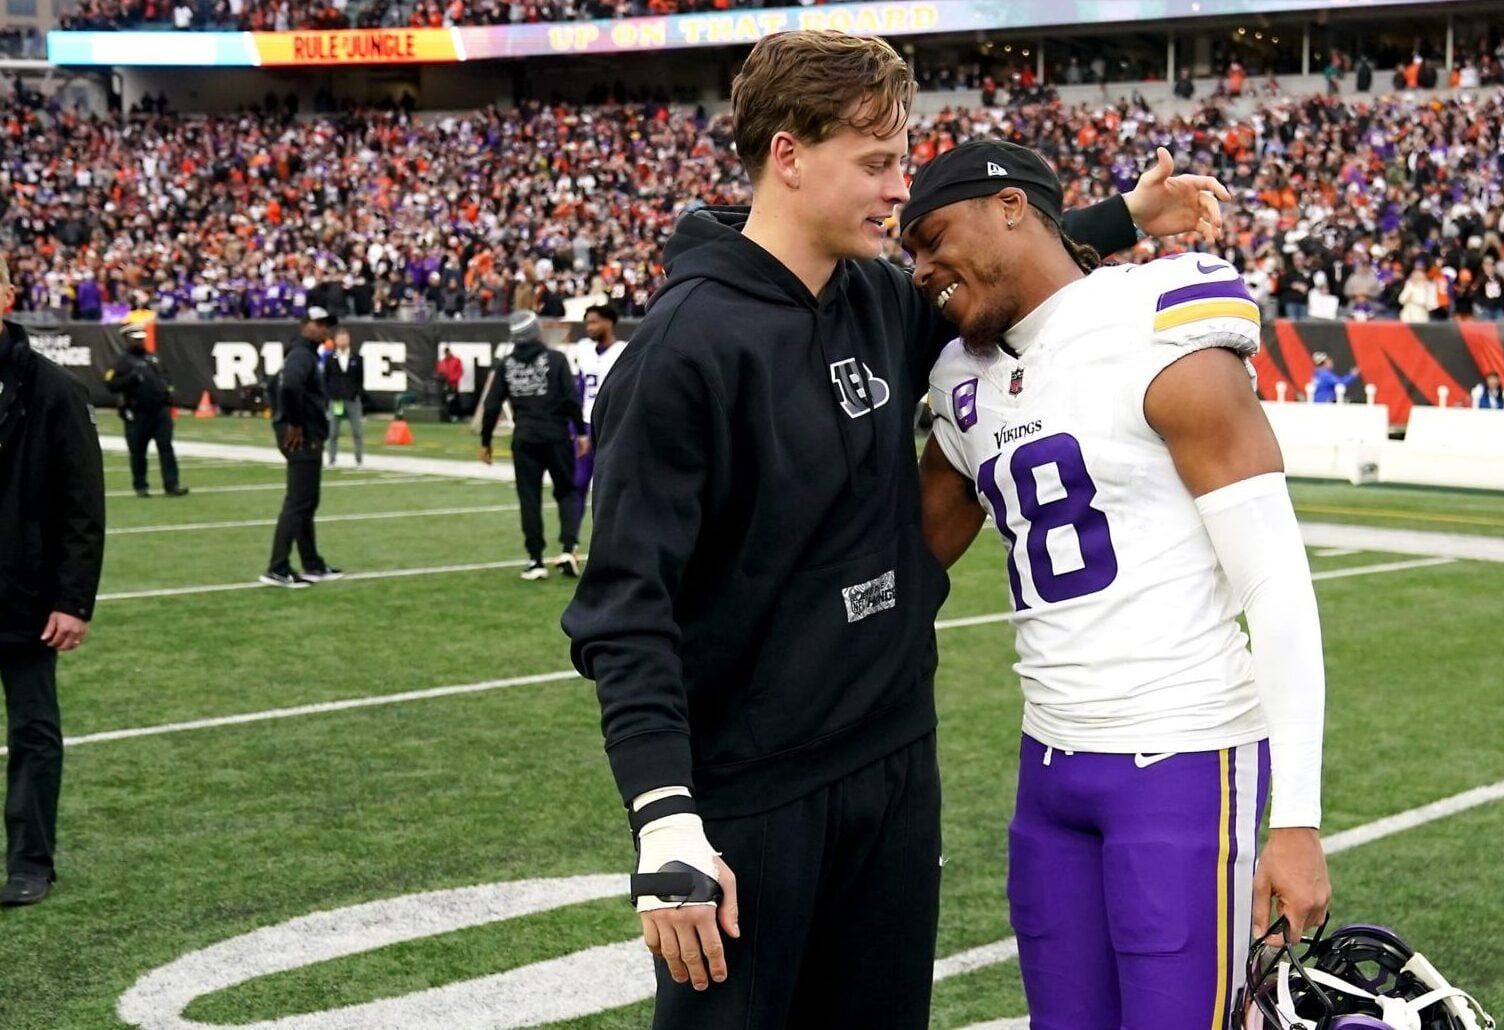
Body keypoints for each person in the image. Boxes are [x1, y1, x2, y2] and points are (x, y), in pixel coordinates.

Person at [561, 29, 1227, 1030]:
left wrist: (1124, 217)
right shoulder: (682, 348)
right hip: (754, 789)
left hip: (892, 761)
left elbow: (1005, 269)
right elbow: (623, 608)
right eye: (876, 162)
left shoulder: (877, 294)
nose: (896, 190)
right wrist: (664, 818)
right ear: (788, 155)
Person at [905, 140, 1331, 1028]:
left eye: (933, 236)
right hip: (1048, 766)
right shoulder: (960, 378)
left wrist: (1296, 820)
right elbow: (905, 557)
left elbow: (1276, 584)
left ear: (1011, 209)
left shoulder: (1158, 318)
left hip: (1178, 758)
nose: (921, 269)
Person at [0, 254, 105, 907]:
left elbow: (83, 507)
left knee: (34, 730)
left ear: (7, 294)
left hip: (24, 596)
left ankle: (31, 860)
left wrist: (71, 600)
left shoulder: (54, 391)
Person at [480, 312, 585, 581]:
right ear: (537, 332)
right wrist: (582, 433)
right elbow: (572, 400)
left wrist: (486, 441)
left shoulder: (507, 364)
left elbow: (492, 405)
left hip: (525, 437)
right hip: (557, 435)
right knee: (567, 493)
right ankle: (568, 549)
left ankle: (535, 560)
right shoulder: (556, 359)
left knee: (529, 499)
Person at [262, 307, 344, 589]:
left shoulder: (304, 354)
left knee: (306, 502)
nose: (324, 329)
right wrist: (294, 423)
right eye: (319, 324)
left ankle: (311, 562)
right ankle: (278, 565)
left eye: (327, 325)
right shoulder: (301, 355)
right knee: (298, 502)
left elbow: (277, 386)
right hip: (302, 435)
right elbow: (288, 388)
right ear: (304, 326)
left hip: (304, 432)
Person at [104, 325, 188, 497]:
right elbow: (111, 385)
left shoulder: (153, 357)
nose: (140, 341)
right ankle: (141, 486)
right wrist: (131, 379)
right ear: (127, 339)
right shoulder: (122, 362)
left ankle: (172, 484)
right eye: (136, 338)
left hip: (160, 411)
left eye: (142, 338)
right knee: (138, 452)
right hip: (137, 412)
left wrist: (168, 392)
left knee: (166, 447)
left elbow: (165, 376)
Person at [572, 303, 627, 507]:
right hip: (587, 422)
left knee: (610, 485)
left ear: (609, 321)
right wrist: (575, 428)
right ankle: (572, 538)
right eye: (587, 323)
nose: (590, 328)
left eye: (594, 322)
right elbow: (580, 389)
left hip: (612, 423)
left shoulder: (623, 351)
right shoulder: (584, 349)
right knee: (578, 482)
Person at [323, 327, 366, 468]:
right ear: (335, 341)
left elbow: (360, 379)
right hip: (336, 400)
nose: (342, 341)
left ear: (349, 340)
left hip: (352, 399)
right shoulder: (330, 358)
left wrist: (356, 393)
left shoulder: (356, 358)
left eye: (345, 338)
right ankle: (332, 459)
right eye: (340, 338)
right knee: (333, 431)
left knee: (357, 431)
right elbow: (326, 378)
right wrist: (331, 395)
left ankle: (359, 459)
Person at [435, 348, 464, 423]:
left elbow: (459, 372)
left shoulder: (456, 361)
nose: (446, 355)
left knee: (454, 400)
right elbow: (439, 372)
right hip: (444, 385)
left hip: (453, 384)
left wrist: (452, 379)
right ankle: (447, 415)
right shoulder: (442, 362)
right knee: (445, 401)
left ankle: (456, 415)